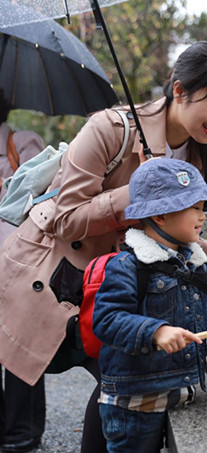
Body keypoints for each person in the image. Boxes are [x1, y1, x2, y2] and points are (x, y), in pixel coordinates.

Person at [0, 41, 207, 453]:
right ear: (178, 90)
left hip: (125, 283)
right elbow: (66, 219)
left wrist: (206, 248)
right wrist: (134, 195)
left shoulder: (196, 151)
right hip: (65, 280)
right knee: (120, 372)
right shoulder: (109, 128)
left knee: (123, 375)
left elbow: (159, 231)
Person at [93, 159, 207, 452]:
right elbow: (107, 320)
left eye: (202, 208)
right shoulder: (127, 265)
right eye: (195, 208)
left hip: (180, 387)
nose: (203, 217)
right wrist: (157, 331)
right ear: (161, 215)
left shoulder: (193, 259)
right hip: (136, 401)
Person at [0, 89, 47, 453]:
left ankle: (21, 432)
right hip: (14, 257)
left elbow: (44, 195)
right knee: (17, 341)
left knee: (20, 342)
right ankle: (17, 431)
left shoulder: (22, 143)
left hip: (20, 257)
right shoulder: (22, 141)